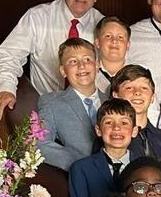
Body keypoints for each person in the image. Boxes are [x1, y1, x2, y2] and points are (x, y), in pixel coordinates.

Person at [0, 0, 104, 119]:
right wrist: (6, 87)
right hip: (45, 110)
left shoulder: (105, 27)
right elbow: (10, 53)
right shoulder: (38, 17)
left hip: (91, 115)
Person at [37, 38, 108, 171]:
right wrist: (80, 165)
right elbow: (40, 143)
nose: (81, 66)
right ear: (63, 71)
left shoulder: (112, 100)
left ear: (97, 65)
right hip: (82, 178)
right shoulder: (51, 102)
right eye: (73, 61)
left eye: (87, 59)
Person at [68, 98, 139, 197]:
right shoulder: (81, 169)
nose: (116, 128)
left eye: (124, 122)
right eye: (108, 123)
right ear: (98, 130)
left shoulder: (143, 169)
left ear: (134, 131)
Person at [111, 65, 161, 159]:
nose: (137, 92)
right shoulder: (109, 138)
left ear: (152, 97)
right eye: (129, 88)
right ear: (116, 95)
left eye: (144, 88)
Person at [94, 15, 131, 95]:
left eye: (120, 37)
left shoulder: (139, 75)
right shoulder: (88, 74)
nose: (114, 41)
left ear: (128, 45)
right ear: (97, 43)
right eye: (108, 36)